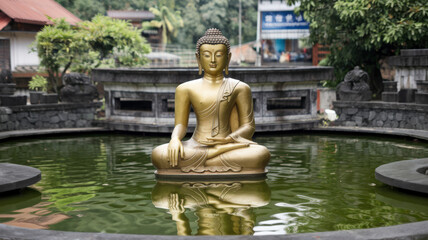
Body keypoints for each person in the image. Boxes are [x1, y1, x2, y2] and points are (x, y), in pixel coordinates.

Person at [151, 28, 270, 175]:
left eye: (219, 55)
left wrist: (227, 141)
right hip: (196, 146)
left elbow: (249, 126)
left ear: (228, 57)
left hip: (228, 144)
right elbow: (181, 124)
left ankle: (217, 152)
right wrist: (175, 139)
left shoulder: (239, 87)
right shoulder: (185, 88)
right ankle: (215, 154)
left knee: (260, 154)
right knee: (159, 154)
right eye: (207, 55)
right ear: (198, 58)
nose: (213, 60)